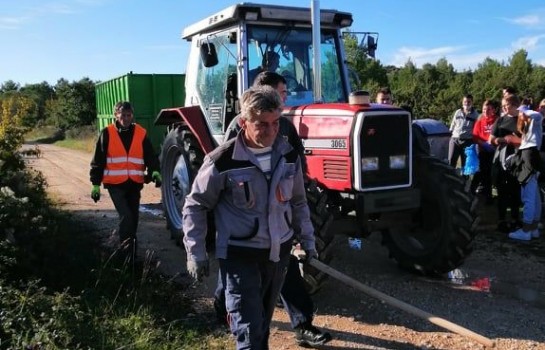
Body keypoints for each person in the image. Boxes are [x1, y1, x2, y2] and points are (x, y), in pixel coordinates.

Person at [182, 86, 317, 350]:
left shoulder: (288, 155)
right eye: (262, 124)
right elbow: (195, 205)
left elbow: (299, 202)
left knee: (262, 327)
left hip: (278, 256)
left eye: (276, 123)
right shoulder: (222, 161)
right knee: (248, 330)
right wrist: (195, 252)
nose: (271, 130)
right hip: (239, 256)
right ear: (244, 123)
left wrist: (308, 241)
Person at [220, 71, 331, 347]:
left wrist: (299, 224)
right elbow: (226, 174)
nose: (284, 99)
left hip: (277, 220)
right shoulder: (238, 127)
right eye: (281, 93)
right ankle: (225, 308)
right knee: (235, 275)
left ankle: (302, 324)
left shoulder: (286, 127)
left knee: (285, 266)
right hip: (246, 225)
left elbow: (296, 169)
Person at [89, 101, 161, 261]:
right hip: (115, 185)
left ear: (132, 116)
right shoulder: (107, 133)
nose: (126, 118)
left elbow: (149, 154)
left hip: (134, 184)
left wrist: (155, 171)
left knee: (133, 219)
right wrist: (95, 184)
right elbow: (98, 160)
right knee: (126, 216)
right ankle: (124, 253)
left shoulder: (140, 133)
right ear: (116, 115)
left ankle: (131, 256)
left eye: (129, 115)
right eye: (123, 115)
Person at [507, 101, 543, 241]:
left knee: (528, 195)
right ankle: (533, 228)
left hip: (530, 156)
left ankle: (526, 230)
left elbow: (537, 115)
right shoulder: (530, 127)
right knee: (534, 195)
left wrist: (521, 110)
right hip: (530, 155)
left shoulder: (535, 119)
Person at [489, 94, 522, 233]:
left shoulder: (522, 119)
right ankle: (502, 219)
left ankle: (515, 219)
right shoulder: (500, 120)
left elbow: (527, 139)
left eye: (506, 105)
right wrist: (503, 139)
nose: (503, 108)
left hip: (518, 157)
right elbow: (491, 139)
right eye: (502, 106)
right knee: (502, 190)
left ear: (514, 105)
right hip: (502, 158)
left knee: (515, 189)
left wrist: (515, 140)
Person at [471, 99, 498, 203]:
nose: (486, 111)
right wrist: (483, 144)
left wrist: (494, 143)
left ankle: (488, 195)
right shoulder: (480, 121)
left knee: (490, 173)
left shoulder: (497, 120)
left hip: (495, 150)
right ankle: (473, 190)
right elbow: (475, 136)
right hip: (483, 150)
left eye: (488, 109)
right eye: (484, 109)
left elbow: (500, 133)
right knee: (481, 172)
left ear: (493, 110)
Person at [448, 94, 479, 169]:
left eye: (469, 102)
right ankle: (451, 179)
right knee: (451, 160)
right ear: (462, 102)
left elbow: (476, 129)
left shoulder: (475, 115)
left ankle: (464, 179)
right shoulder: (458, 112)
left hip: (467, 141)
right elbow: (453, 124)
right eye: (465, 101)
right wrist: (450, 134)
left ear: (472, 102)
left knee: (465, 163)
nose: (466, 103)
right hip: (455, 139)